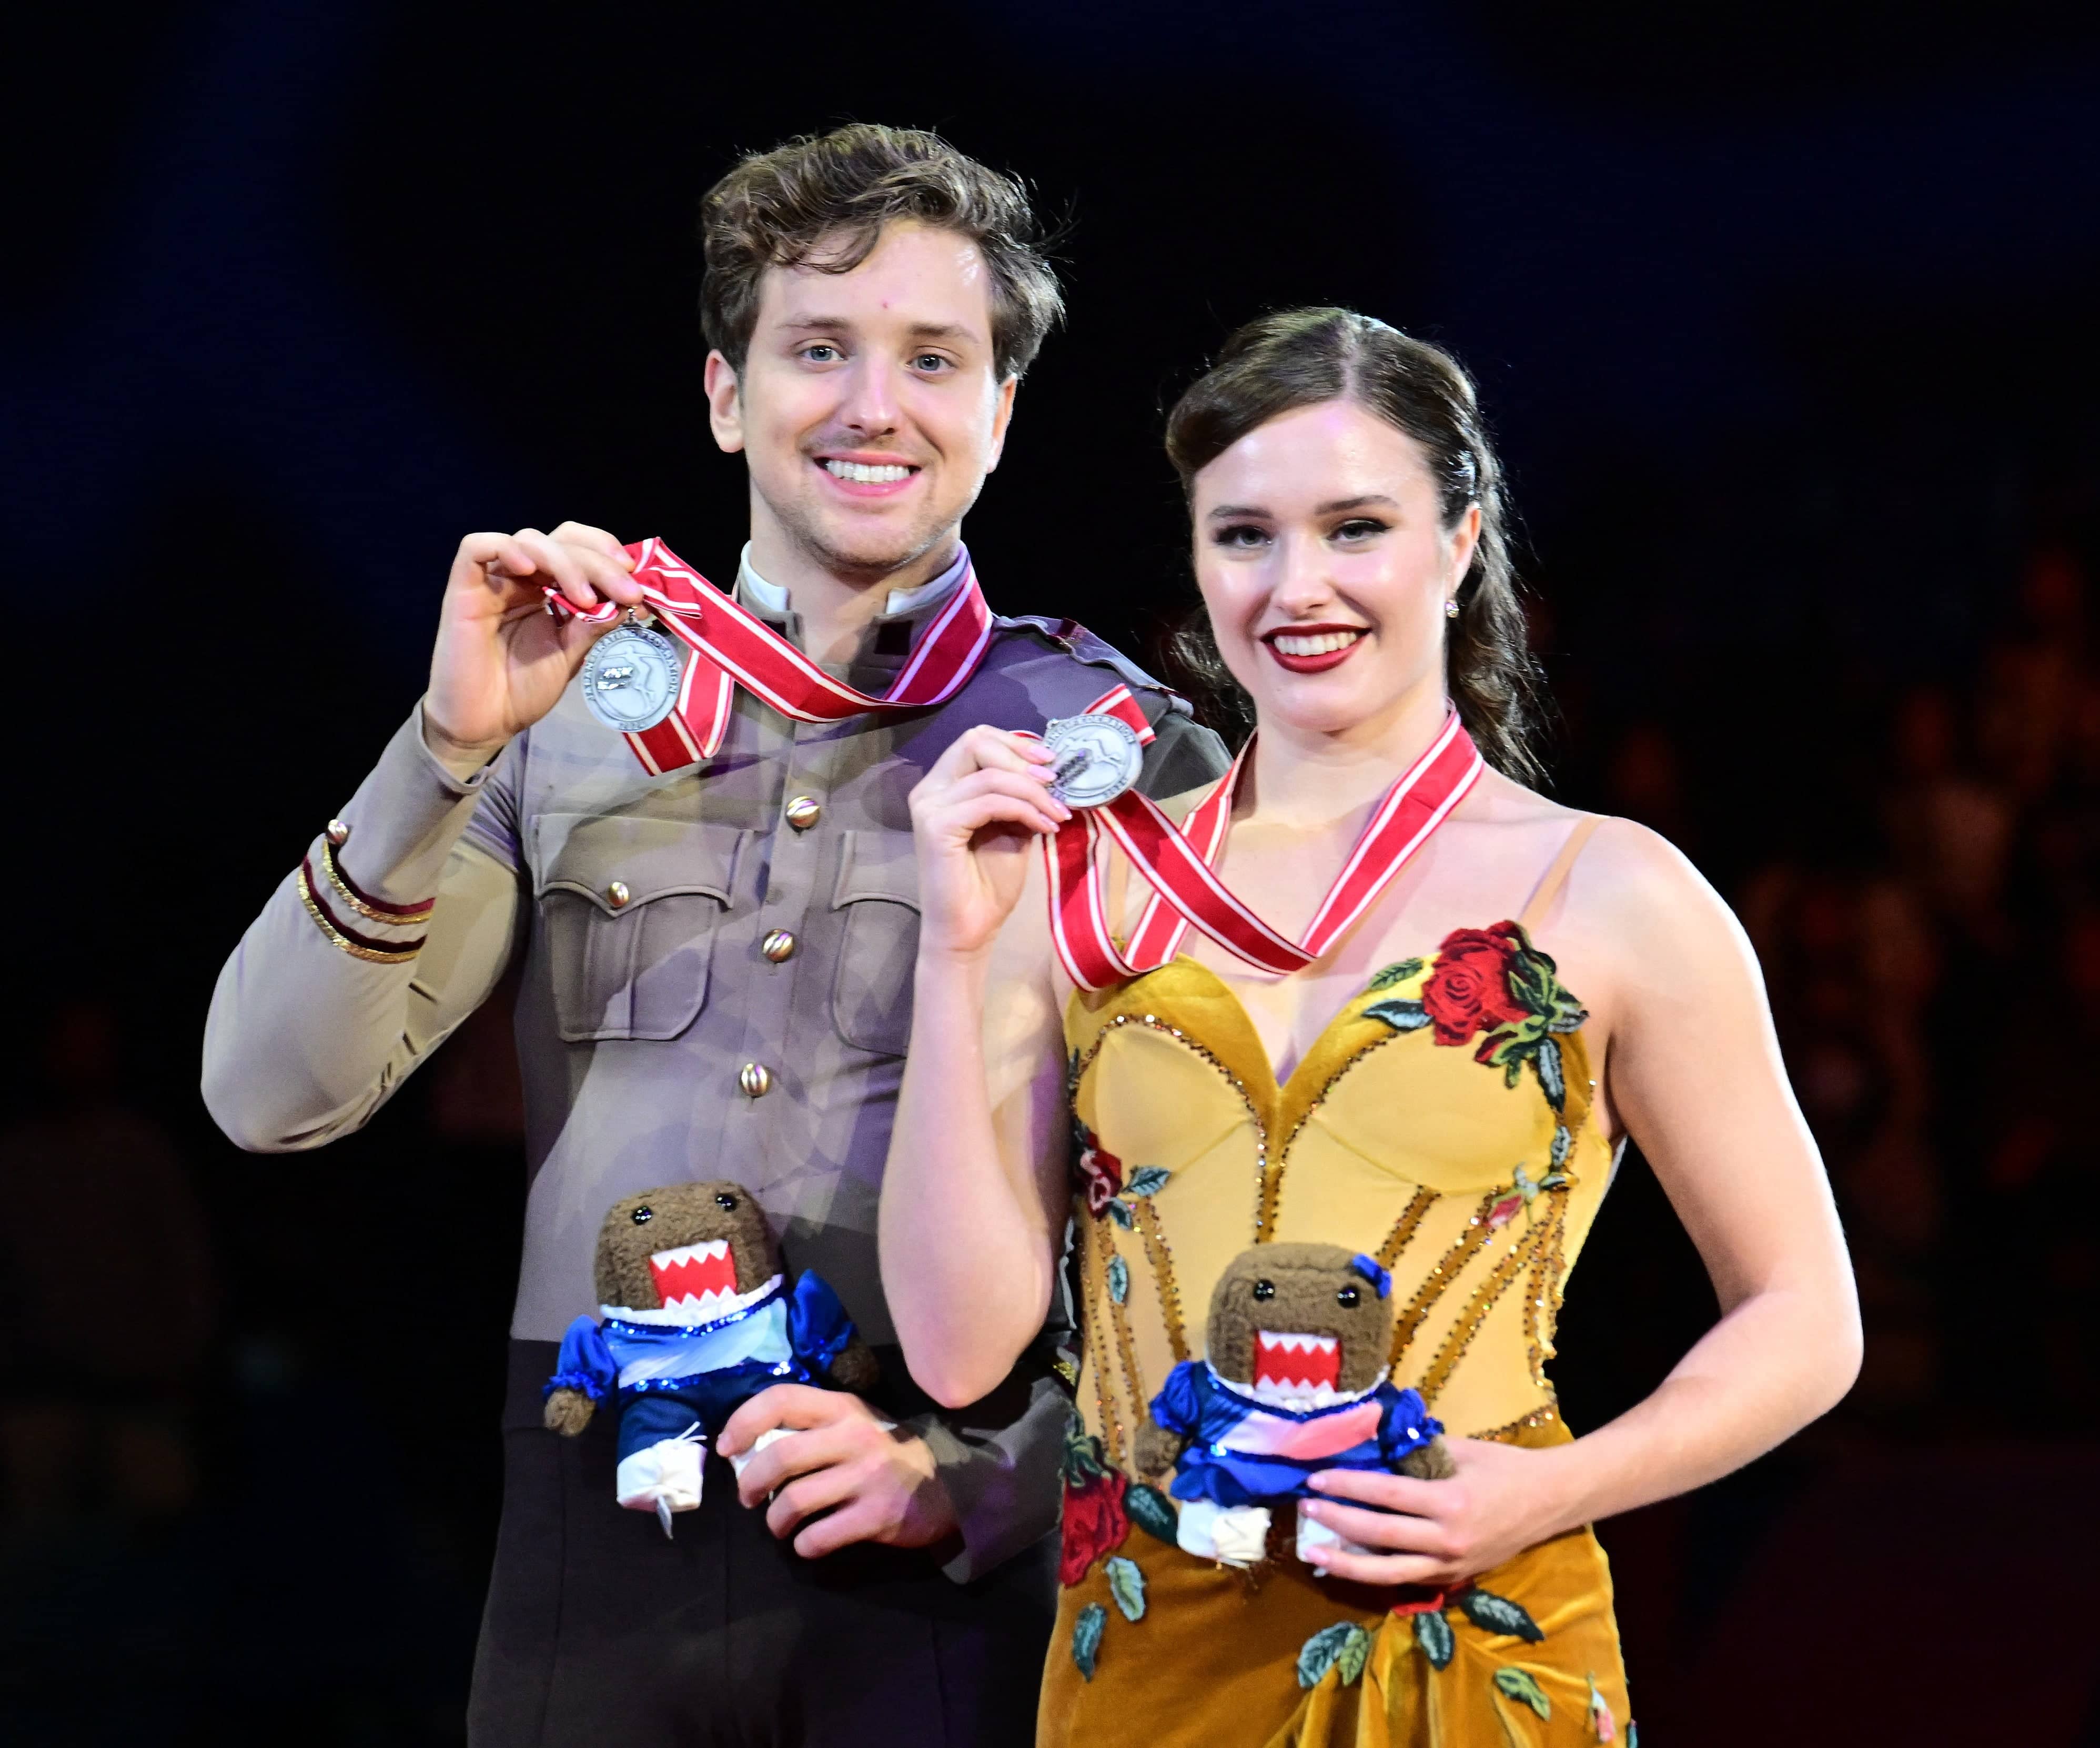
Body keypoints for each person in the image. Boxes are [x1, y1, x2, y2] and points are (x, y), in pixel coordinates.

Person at [201, 124, 1227, 1747]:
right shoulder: (568, 709)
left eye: (933, 358)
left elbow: (1214, 1236)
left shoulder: (1118, 750)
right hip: (593, 1555)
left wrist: (984, 1476)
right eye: (818, 349)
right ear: (724, 395)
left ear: (1001, 412)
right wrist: (443, 746)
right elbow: (267, 1095)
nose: (873, 404)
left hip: (947, 1576)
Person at [881, 308, 1861, 1744]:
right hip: (1144, 1664)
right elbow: (961, 1354)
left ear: (1460, 541)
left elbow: (1809, 1318)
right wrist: (953, 958)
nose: (1298, 587)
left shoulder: (1613, 894)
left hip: (1476, 1645)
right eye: (1244, 537)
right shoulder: (1083, 884)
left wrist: (1548, 1488)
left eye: (1355, 528)